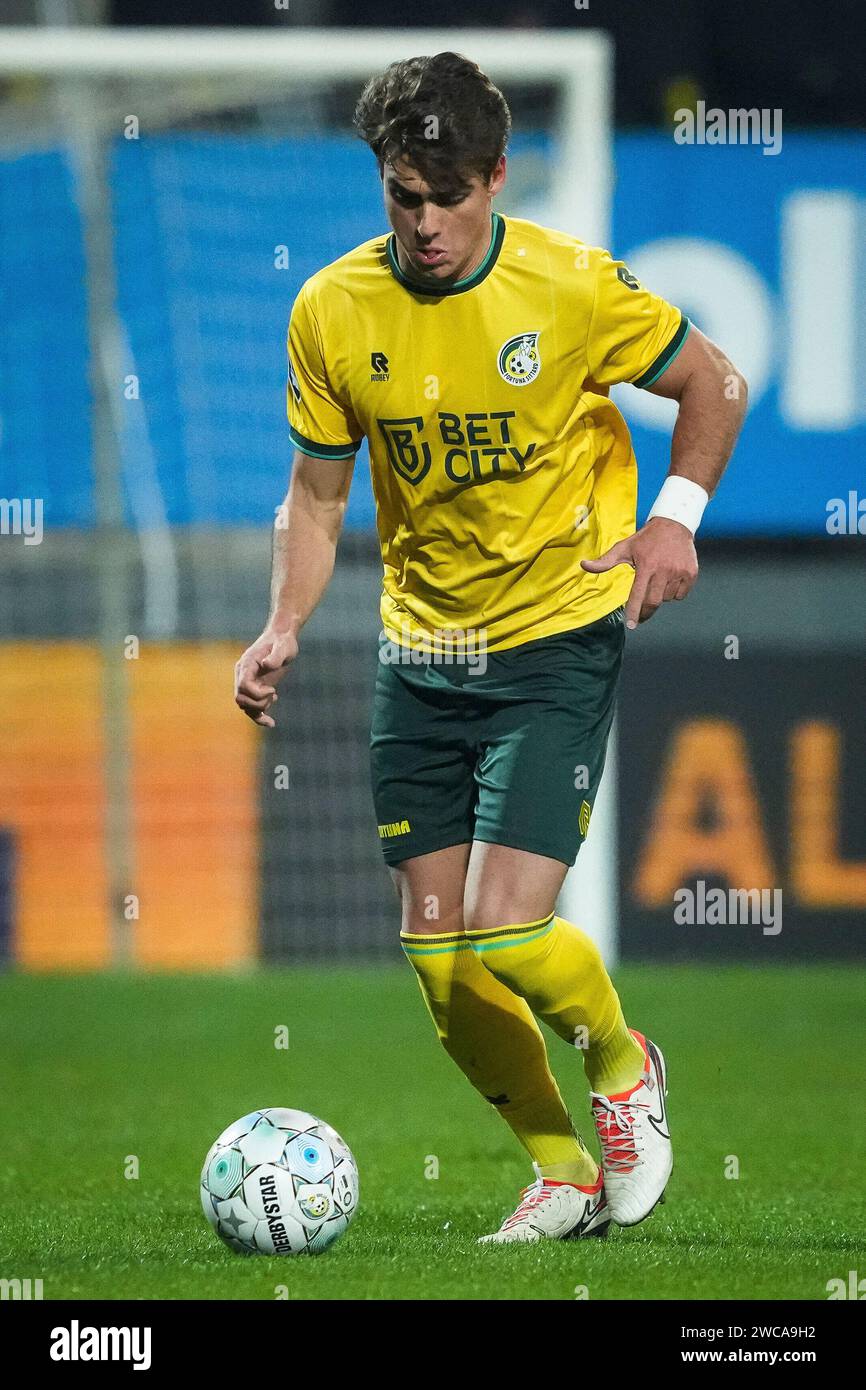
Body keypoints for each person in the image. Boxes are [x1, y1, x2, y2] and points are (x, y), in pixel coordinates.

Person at [234, 51, 747, 1242]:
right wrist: (283, 624)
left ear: (498, 177)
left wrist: (673, 520)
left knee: (507, 929)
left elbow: (711, 380)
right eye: (402, 195)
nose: (424, 222)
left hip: (552, 638)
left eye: (448, 195)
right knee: (438, 956)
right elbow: (315, 496)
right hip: (419, 654)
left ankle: (624, 1067)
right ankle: (560, 1169)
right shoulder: (330, 309)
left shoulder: (569, 287)